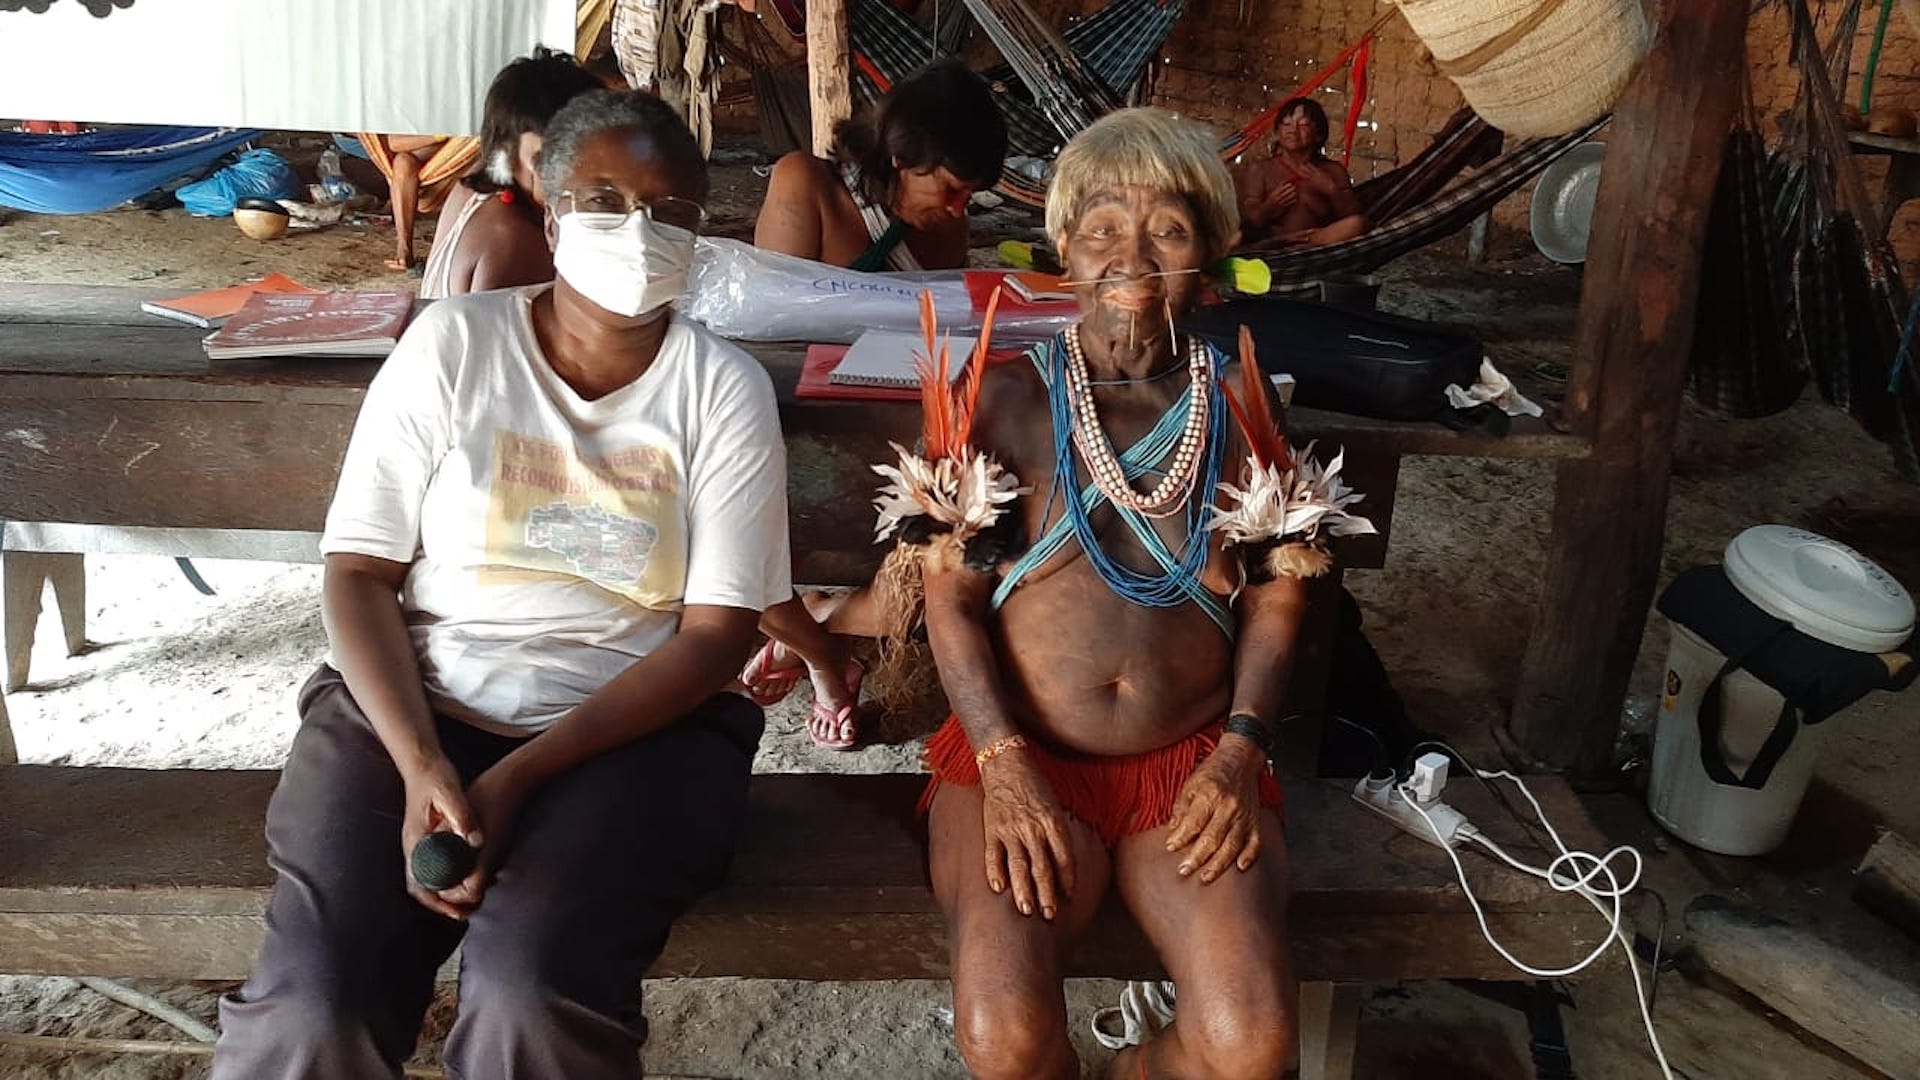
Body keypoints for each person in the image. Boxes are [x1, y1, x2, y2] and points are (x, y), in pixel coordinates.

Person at [212, 89, 791, 1080]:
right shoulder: (455, 346)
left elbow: (714, 636)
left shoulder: (720, 390)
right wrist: (420, 764)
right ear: (547, 203)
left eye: (671, 210)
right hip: (414, 706)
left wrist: (520, 776)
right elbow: (358, 572)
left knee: (531, 986)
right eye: (604, 199)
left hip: (633, 735)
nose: (638, 232)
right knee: (315, 999)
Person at [884, 107, 1373, 1079]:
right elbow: (950, 601)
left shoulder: (1238, 406)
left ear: (1214, 256)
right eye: (1104, 227)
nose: (1132, 254)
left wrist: (1241, 751)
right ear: (1064, 248)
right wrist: (1004, 760)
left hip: (1190, 769)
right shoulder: (1003, 399)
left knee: (1251, 1045)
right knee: (1005, 1037)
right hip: (1017, 759)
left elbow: (1281, 593)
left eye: (1170, 230)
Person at [754, 58, 1008, 272]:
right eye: (951, 189)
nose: (959, 209)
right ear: (903, 156)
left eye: (969, 194)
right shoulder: (805, 185)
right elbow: (774, 314)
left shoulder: (949, 231)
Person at [417, 49, 604, 299]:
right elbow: (505, 336)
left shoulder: (473, 189)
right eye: (549, 157)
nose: (574, 171)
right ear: (507, 149)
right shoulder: (517, 240)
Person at [1236, 97, 1369, 249]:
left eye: (1303, 124)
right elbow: (1249, 223)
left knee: (1358, 224)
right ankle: (1288, 244)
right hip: (1275, 247)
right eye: (1286, 124)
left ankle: (1307, 243)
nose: (1292, 130)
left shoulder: (1333, 171)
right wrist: (1270, 206)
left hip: (1320, 245)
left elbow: (1355, 216)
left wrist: (1331, 190)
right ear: (1278, 133)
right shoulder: (1261, 170)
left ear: (1318, 134)